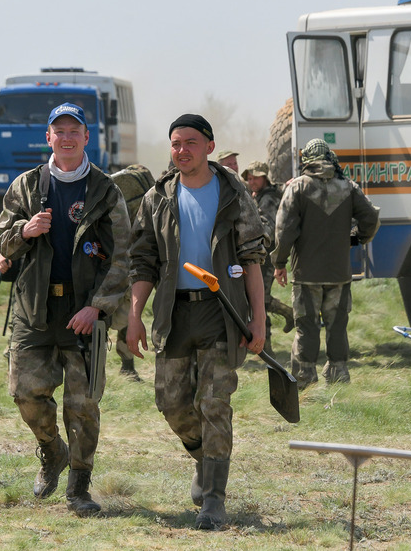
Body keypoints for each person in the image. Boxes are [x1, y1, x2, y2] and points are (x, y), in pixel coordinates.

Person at [126, 113, 267, 531]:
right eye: (175, 143)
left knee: (215, 404)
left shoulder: (234, 194)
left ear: (208, 145)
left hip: (221, 312)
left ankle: (214, 500)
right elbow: (142, 261)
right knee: (171, 402)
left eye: (190, 142)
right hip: (174, 312)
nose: (182, 150)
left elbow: (252, 260)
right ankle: (204, 460)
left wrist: (258, 319)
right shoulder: (158, 197)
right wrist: (134, 317)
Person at [0, 102, 132, 517]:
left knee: (82, 404)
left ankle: (79, 488)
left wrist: (97, 308)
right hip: (34, 308)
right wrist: (24, 230)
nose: (67, 137)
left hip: (82, 312)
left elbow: (123, 257)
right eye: (59, 131)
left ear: (87, 138)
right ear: (48, 138)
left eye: (75, 131)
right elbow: (1, 238)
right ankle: (52, 451)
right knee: (24, 393)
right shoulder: (26, 185)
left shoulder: (106, 191)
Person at [273, 139, 380, 389]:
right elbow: (372, 218)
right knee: (337, 327)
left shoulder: (298, 187)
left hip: (306, 273)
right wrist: (356, 239)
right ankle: (339, 376)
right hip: (339, 274)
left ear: (307, 159)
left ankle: (305, 380)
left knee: (306, 328)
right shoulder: (348, 186)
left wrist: (279, 262)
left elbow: (284, 229)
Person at [241, 160, 296, 360]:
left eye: (255, 177)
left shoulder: (269, 198)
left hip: (265, 257)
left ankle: (287, 316)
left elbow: (268, 230)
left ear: (265, 178)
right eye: (249, 177)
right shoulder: (259, 196)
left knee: (260, 301)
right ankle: (265, 349)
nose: (251, 180)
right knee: (257, 302)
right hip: (258, 256)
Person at [110, 163, 157, 381]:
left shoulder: (116, 191)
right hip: (129, 262)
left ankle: (125, 366)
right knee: (129, 310)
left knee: (123, 312)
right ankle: (127, 367)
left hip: (116, 261)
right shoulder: (146, 195)